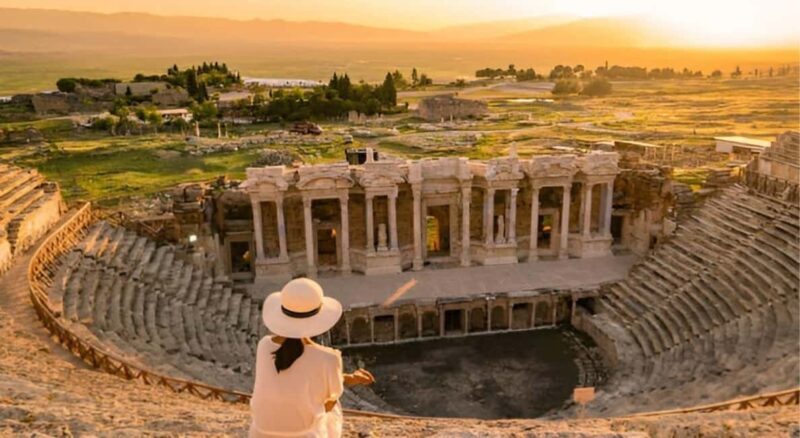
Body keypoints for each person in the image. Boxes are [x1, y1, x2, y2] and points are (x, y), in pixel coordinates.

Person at [250, 278, 375, 437]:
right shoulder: (328, 358)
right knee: (333, 404)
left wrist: (350, 378)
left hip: (260, 432)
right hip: (303, 434)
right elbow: (327, 403)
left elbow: (296, 376)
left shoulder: (264, 346)